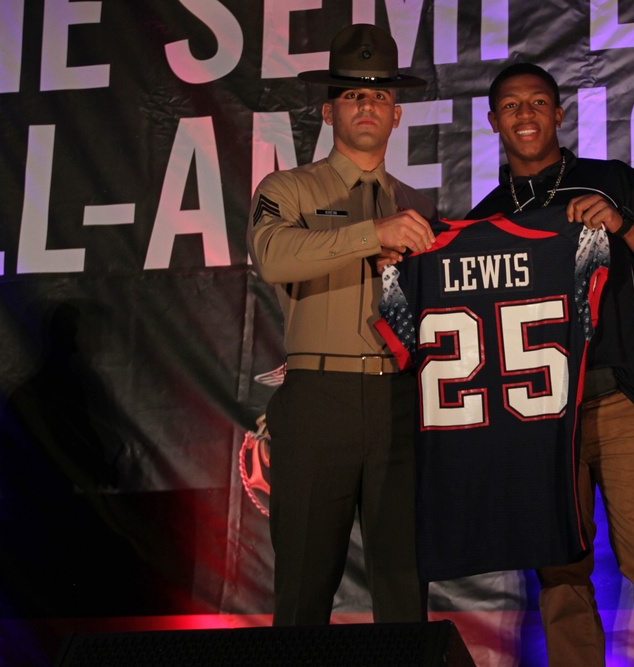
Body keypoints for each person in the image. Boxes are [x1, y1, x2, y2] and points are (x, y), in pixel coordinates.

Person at [466, 62, 634, 666]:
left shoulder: (615, 184)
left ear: (559, 112)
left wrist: (621, 224)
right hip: (539, 418)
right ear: (494, 120)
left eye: (538, 102)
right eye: (513, 105)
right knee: (560, 574)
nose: (526, 114)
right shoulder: (482, 220)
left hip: (625, 402)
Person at [246, 23, 437, 626]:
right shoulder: (288, 188)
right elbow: (272, 255)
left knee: (405, 589)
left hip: (399, 401)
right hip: (317, 397)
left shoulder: (422, 206)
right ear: (329, 110)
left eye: (379, 95)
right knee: (303, 590)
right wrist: (369, 236)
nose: (367, 105)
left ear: (397, 115)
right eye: (354, 94)